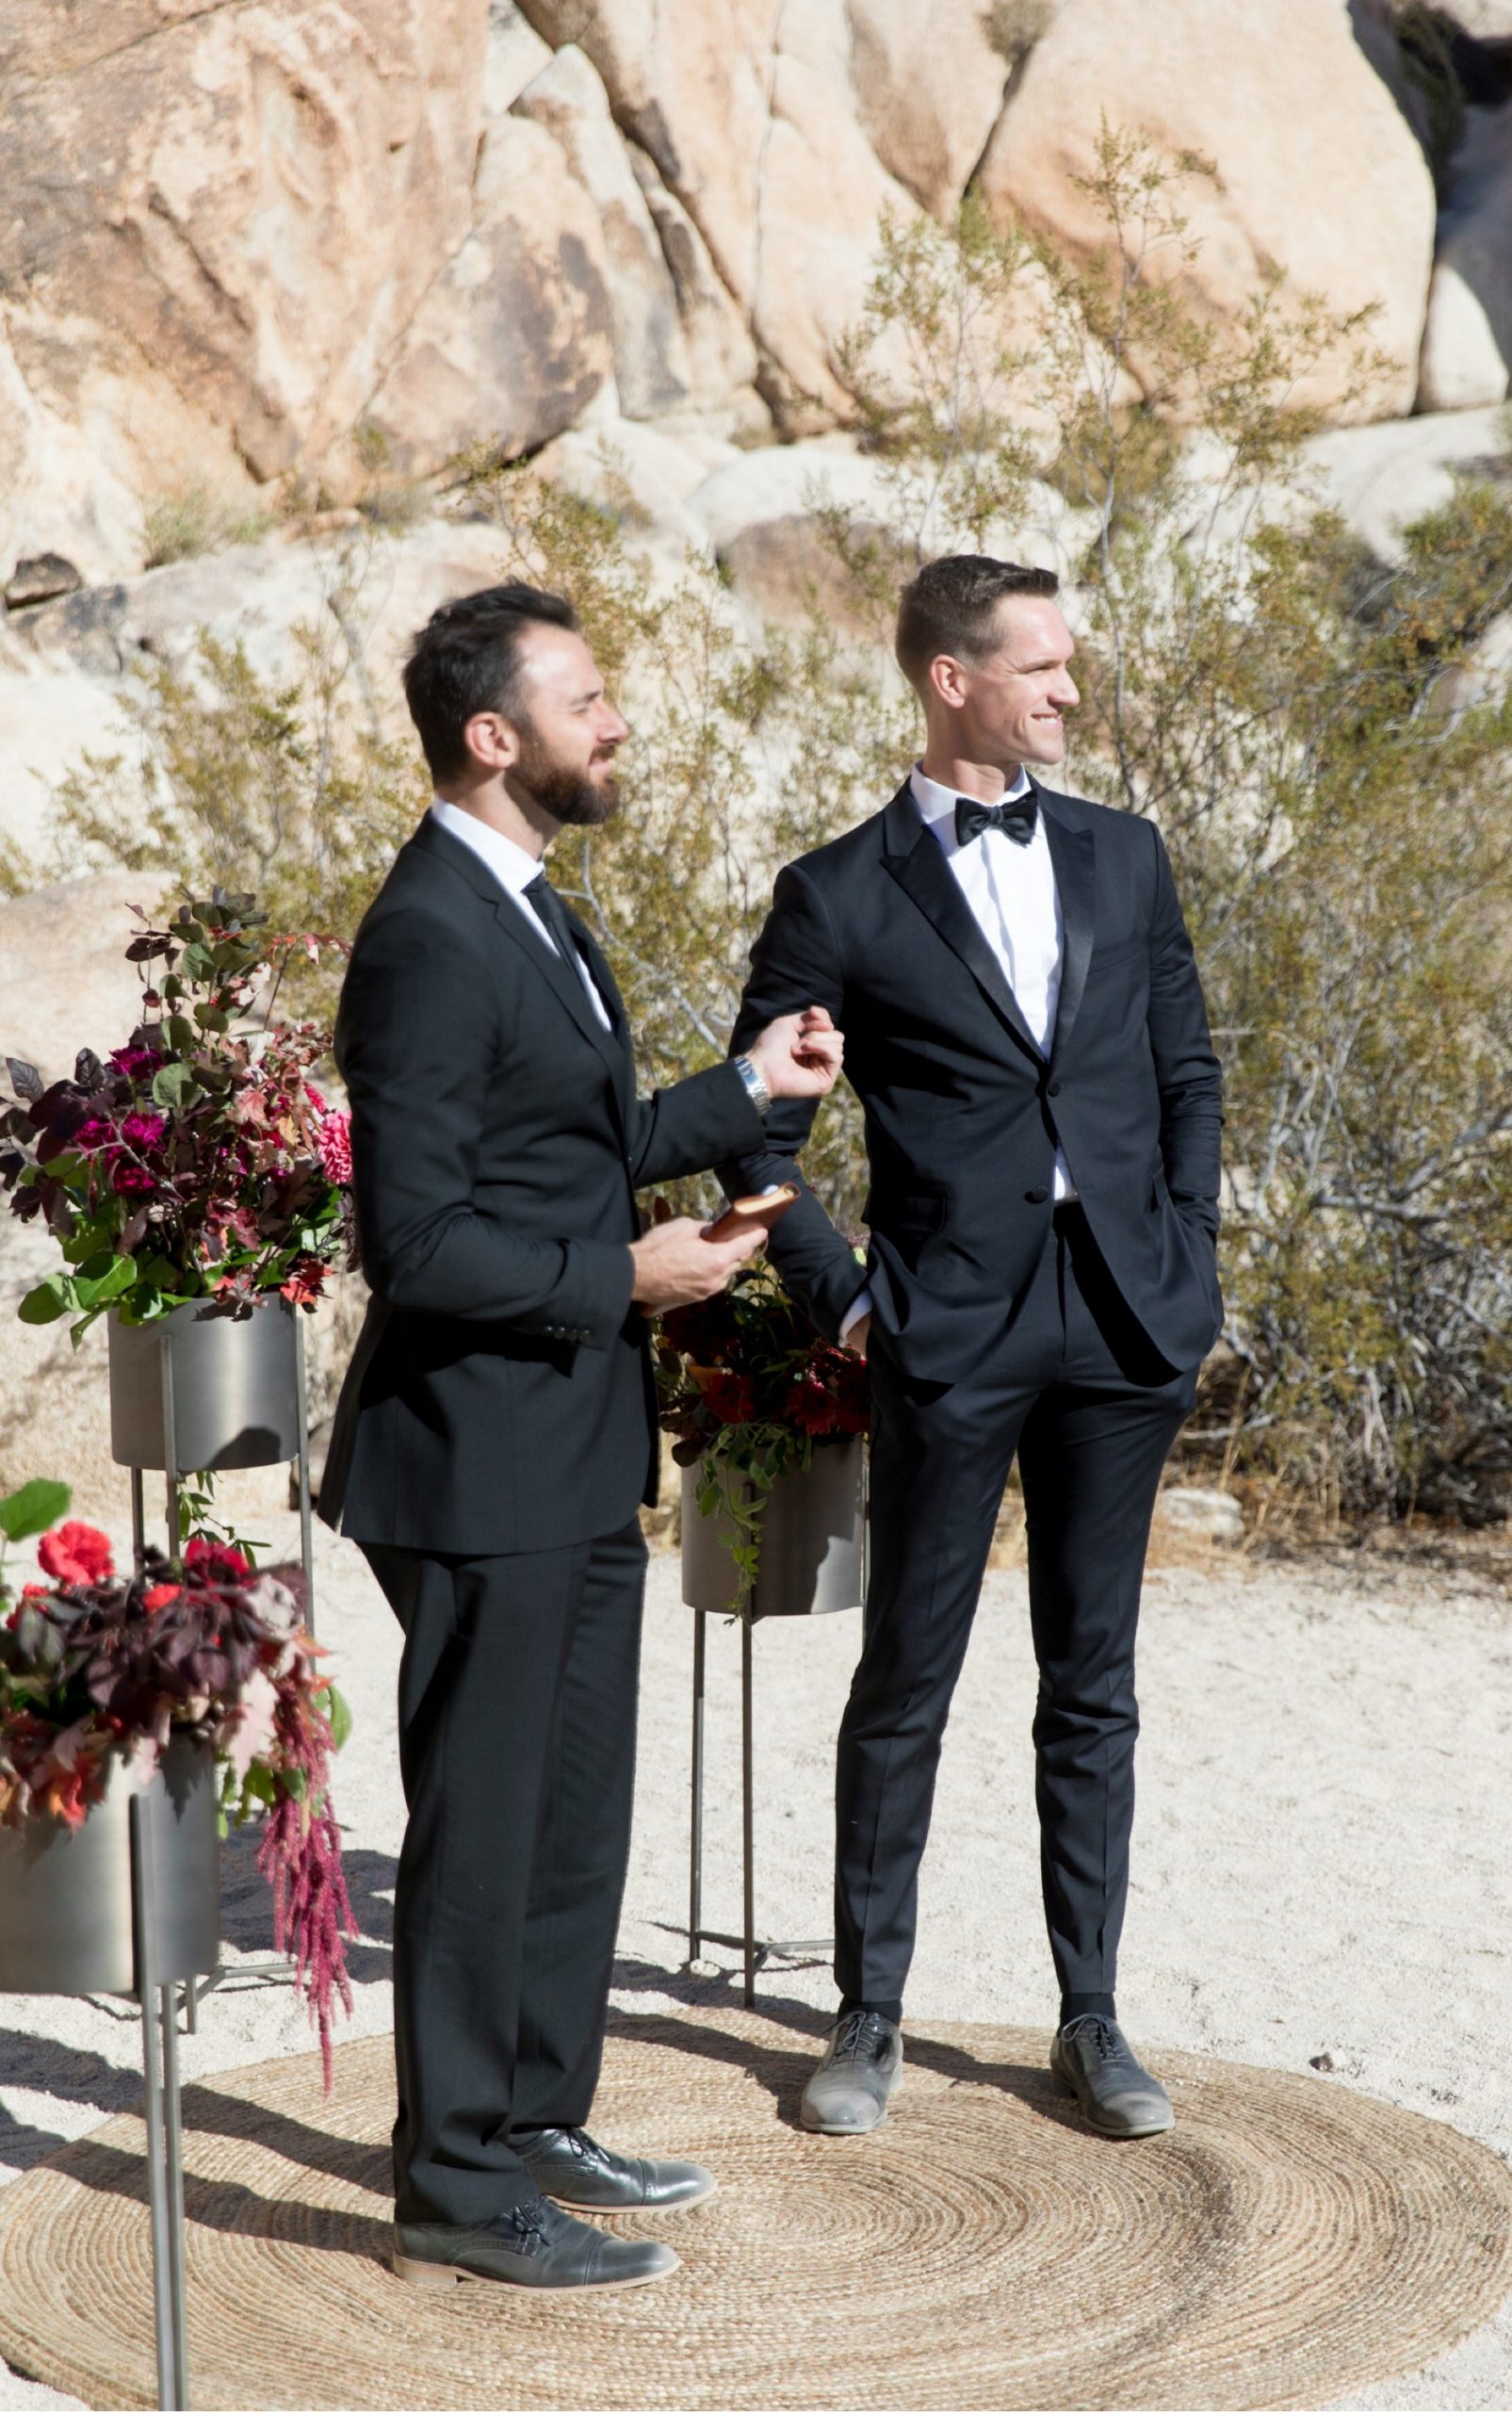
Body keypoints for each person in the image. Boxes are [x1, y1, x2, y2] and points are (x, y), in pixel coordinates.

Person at [318, 581, 843, 2291]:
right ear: (495, 736)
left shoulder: (534, 910)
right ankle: (455, 2182)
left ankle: (540, 2114)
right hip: (472, 1454)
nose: (615, 722)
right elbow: (414, 1241)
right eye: (586, 698)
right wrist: (620, 1277)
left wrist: (741, 1092)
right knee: (480, 1832)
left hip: (569, 1445)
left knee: (567, 1809)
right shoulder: (427, 937)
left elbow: (578, 1138)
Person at [723, 554, 1222, 2142]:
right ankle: (867, 2015)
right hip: (946, 1325)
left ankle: (1093, 2018)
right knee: (908, 1680)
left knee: (1096, 1687)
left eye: (1070, 666)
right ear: (954, 679)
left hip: (1127, 1322)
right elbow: (757, 1128)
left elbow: (1187, 1068)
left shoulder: (1127, 856)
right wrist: (843, 1295)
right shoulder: (839, 891)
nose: (1071, 691)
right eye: (1042, 667)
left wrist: (1190, 1261)